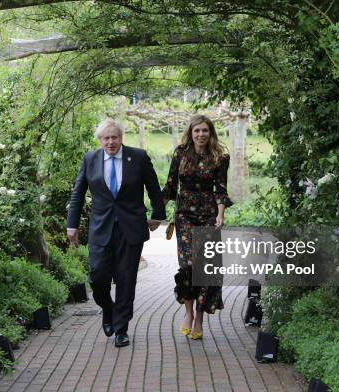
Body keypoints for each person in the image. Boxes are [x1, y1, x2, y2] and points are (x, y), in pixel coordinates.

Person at [67, 120, 166, 347]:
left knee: (126, 280)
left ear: (121, 137)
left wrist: (158, 214)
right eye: (106, 138)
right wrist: (71, 225)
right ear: (100, 140)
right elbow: (77, 194)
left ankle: (121, 329)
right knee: (98, 278)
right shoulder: (90, 159)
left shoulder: (138, 157)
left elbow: (153, 188)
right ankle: (108, 309)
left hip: (130, 229)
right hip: (100, 229)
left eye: (115, 137)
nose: (111, 142)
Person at [162, 114, 232, 340]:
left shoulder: (220, 156)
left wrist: (220, 215)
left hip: (209, 215)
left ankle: (200, 318)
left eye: (205, 131)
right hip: (184, 216)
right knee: (188, 267)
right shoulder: (180, 153)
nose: (201, 134)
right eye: (197, 131)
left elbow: (220, 189)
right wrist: (155, 214)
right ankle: (188, 313)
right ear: (191, 133)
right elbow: (171, 186)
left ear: (210, 133)